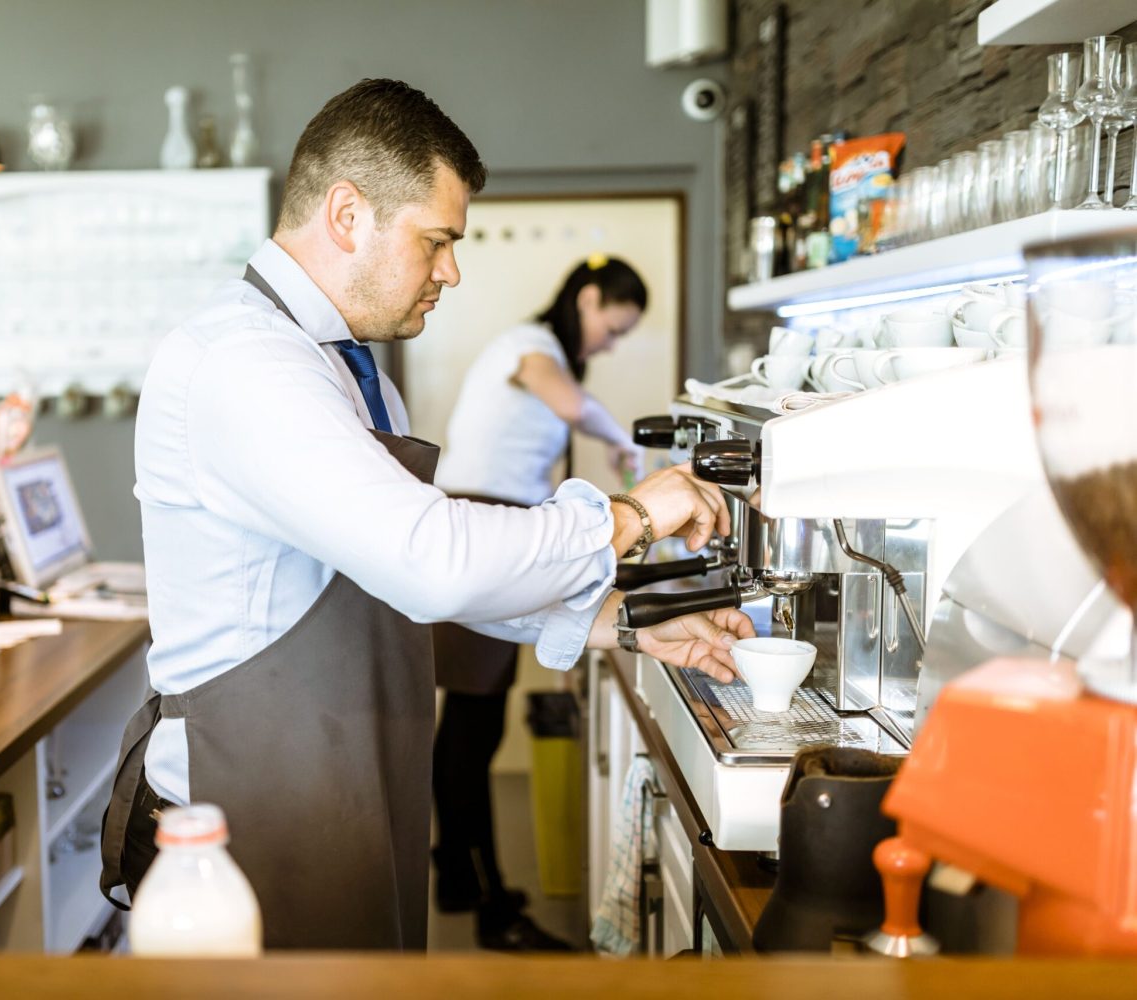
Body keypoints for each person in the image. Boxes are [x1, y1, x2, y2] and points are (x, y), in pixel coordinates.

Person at [99, 78, 753, 952]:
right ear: (347, 214)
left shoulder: (340, 367)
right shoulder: (242, 363)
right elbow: (429, 557)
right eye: (436, 240)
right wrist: (629, 514)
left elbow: (396, 583)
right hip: (246, 815)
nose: (451, 270)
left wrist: (625, 621)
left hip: (341, 788)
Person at [430, 255, 652, 950]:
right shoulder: (531, 347)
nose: (608, 345)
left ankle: (459, 877)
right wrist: (624, 442)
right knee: (472, 730)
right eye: (611, 328)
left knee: (473, 724)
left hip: (496, 532)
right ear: (586, 298)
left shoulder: (545, 348)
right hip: (481, 530)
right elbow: (563, 400)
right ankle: (492, 906)